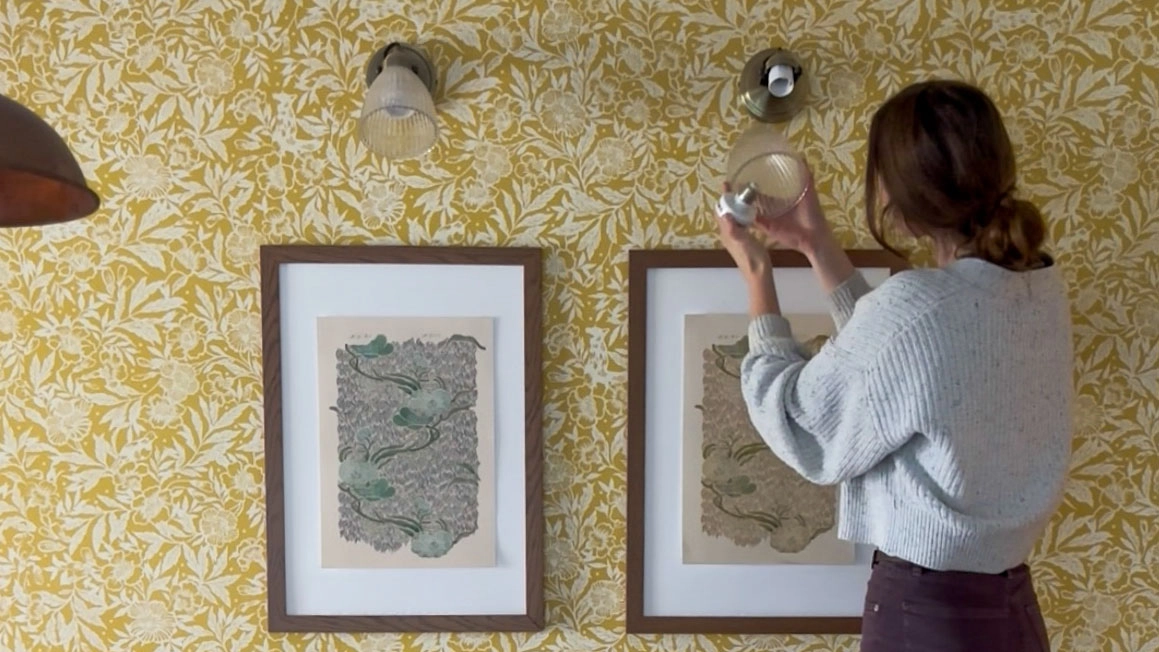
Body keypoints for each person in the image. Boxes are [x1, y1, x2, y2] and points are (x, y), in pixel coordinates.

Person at [715, 79, 1073, 651]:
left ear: (902, 199)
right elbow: (906, 368)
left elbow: (803, 421)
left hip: (927, 614)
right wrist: (815, 243)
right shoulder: (1036, 290)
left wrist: (757, 275)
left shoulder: (920, 309)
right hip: (1011, 610)